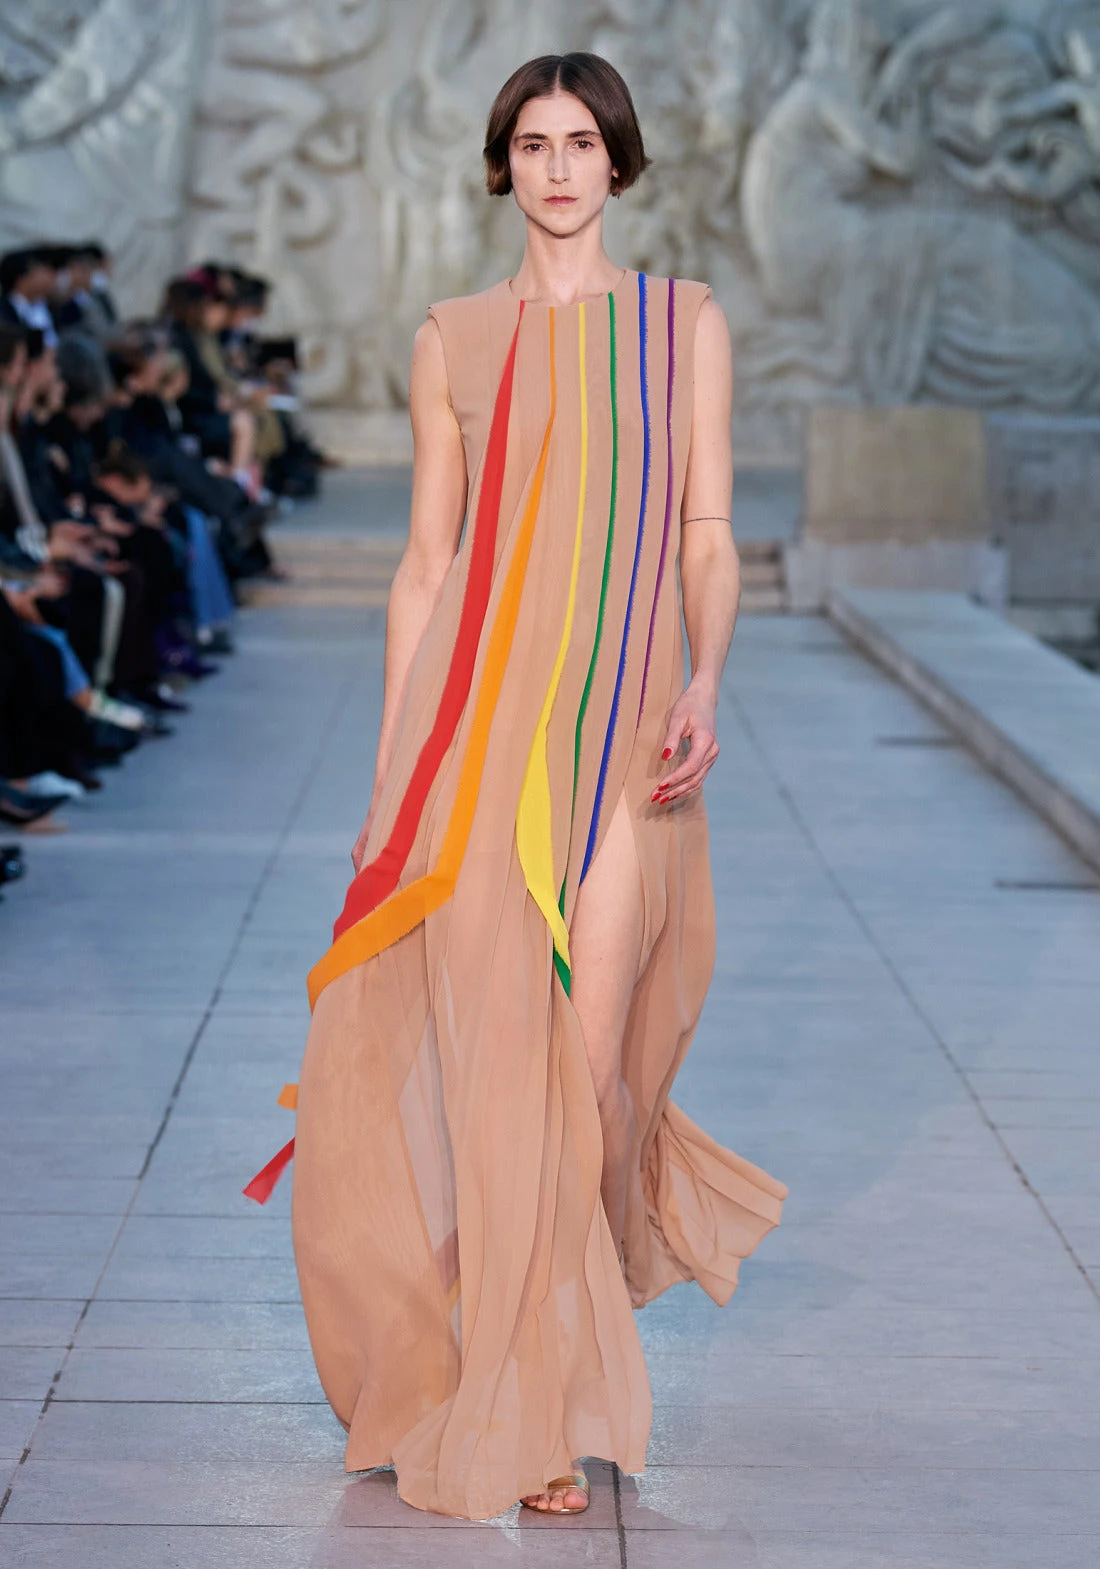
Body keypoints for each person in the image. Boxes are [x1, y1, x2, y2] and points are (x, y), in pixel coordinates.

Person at [247, 52, 787, 1521]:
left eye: (581, 143)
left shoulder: (680, 326)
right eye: (534, 144)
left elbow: (707, 529)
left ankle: (539, 1345)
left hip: (625, 739)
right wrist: (391, 780)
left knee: (588, 1078)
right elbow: (425, 566)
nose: (557, 168)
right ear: (504, 166)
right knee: (499, 1068)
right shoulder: (455, 339)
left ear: (618, 162)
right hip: (477, 749)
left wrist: (706, 677)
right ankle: (526, 1402)